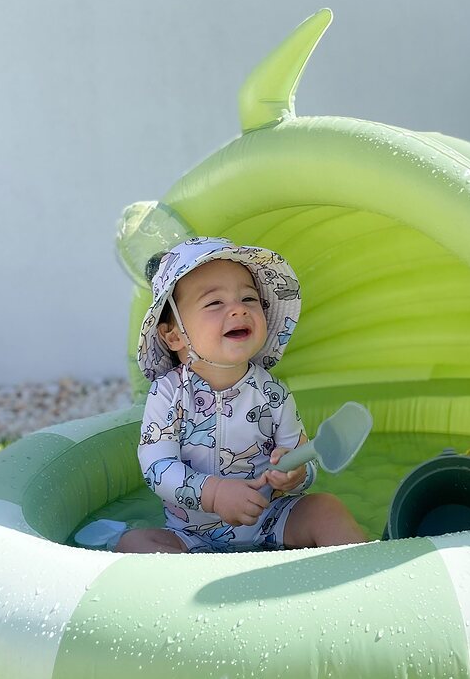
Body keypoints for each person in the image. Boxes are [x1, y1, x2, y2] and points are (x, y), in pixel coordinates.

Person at [75, 236, 367, 553]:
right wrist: (213, 494)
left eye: (249, 299)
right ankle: (188, 582)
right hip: (192, 534)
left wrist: (296, 473)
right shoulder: (169, 393)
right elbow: (157, 468)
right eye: (215, 303)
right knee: (137, 543)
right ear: (173, 335)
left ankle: (363, 579)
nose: (238, 310)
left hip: (271, 520)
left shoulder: (272, 392)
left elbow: (304, 459)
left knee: (325, 509)